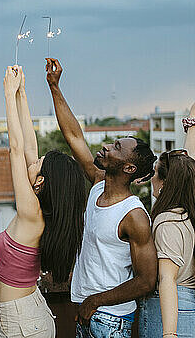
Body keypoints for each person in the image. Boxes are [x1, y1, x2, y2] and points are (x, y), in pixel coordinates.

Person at [45, 58, 158, 338]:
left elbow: (146, 281)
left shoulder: (134, 216)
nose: (107, 146)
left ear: (129, 168)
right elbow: (74, 136)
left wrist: (96, 301)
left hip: (110, 320)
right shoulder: (97, 183)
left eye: (117, 147)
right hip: (88, 313)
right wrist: (54, 86)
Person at [0, 65, 87, 338]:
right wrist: (22, 93)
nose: (32, 161)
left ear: (41, 182)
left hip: (22, 321)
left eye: (38, 164)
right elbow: (28, 146)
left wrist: (8, 96)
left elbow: (15, 148)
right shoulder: (41, 211)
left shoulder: (31, 214)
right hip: (30, 313)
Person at [139, 98, 195, 337]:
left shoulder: (168, 223)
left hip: (177, 316)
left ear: (165, 183)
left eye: (154, 173)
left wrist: (169, 333)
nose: (150, 177)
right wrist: (194, 120)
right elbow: (191, 160)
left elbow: (167, 280)